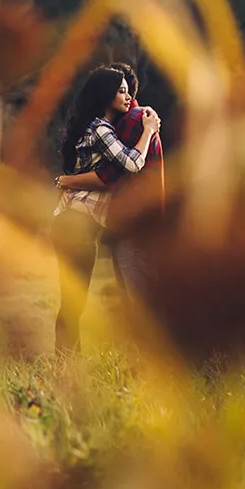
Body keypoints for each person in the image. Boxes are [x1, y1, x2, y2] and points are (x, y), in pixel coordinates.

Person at [52, 66, 161, 354]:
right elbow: (132, 163)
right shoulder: (99, 128)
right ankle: (63, 363)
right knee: (74, 300)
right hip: (75, 222)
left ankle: (64, 361)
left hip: (77, 221)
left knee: (75, 300)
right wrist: (149, 130)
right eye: (121, 91)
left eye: (128, 91)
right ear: (106, 94)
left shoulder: (101, 127)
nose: (128, 97)